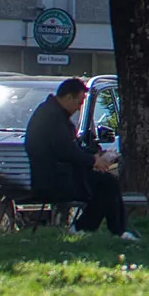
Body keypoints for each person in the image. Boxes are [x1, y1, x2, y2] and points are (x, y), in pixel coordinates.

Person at [26, 78, 131, 242]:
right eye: (79, 102)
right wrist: (93, 162)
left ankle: (115, 230)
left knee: (106, 183)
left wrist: (93, 157)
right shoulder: (53, 117)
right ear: (68, 97)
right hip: (55, 180)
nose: (79, 107)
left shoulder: (50, 113)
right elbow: (65, 150)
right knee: (106, 184)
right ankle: (94, 228)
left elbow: (67, 149)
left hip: (57, 175)